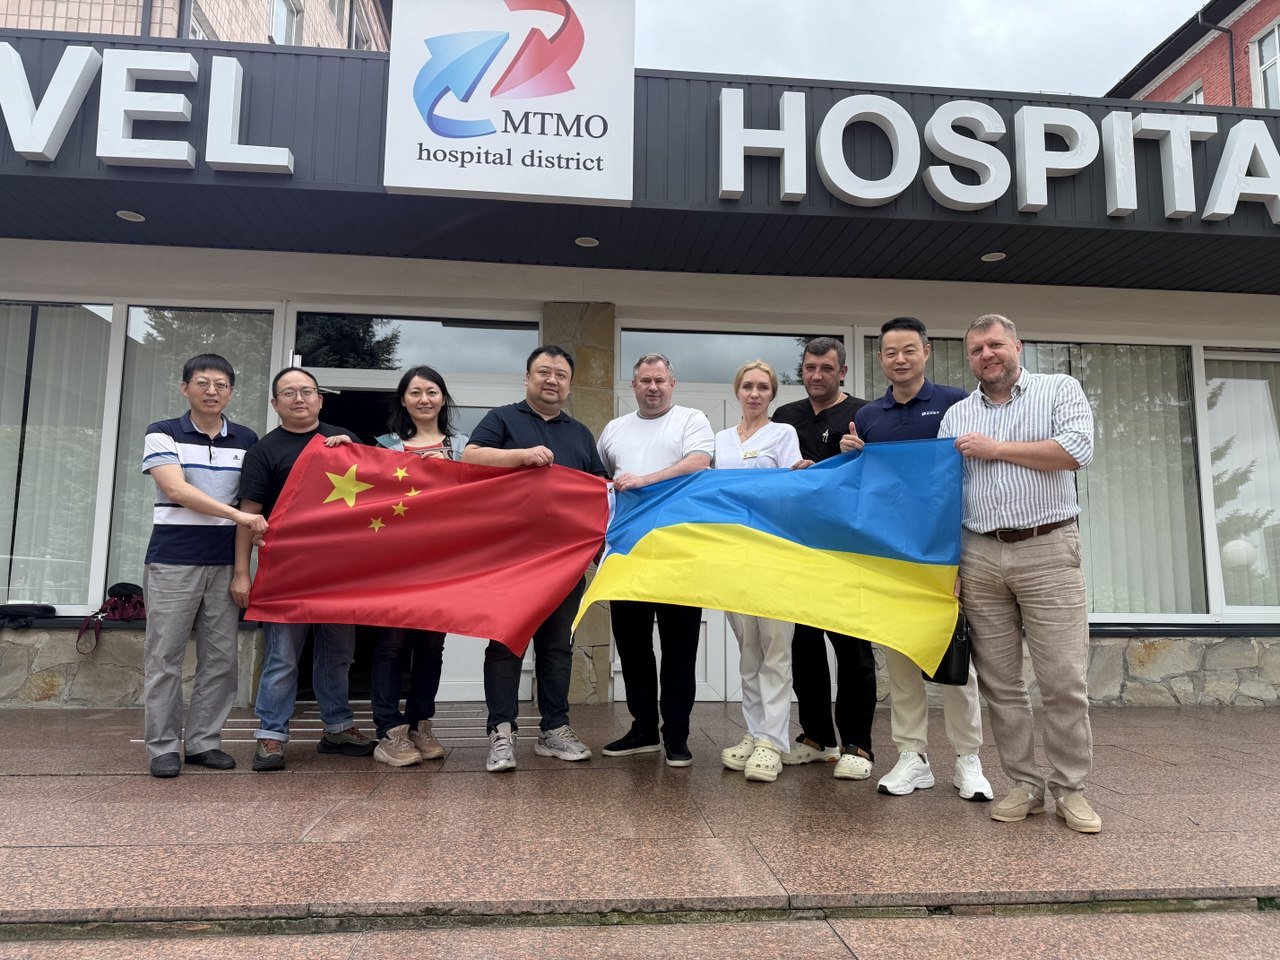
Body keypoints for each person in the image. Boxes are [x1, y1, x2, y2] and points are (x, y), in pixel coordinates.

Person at [938, 314, 1099, 833]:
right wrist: (949, 564)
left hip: (1048, 548)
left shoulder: (1058, 390)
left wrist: (996, 449)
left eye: (995, 344)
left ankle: (1070, 788)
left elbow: (1076, 451)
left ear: (1017, 346)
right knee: (1000, 684)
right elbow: (944, 492)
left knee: (1063, 680)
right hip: (979, 554)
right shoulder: (956, 415)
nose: (987, 354)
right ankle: (1025, 785)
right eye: (976, 349)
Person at [840, 317, 992, 802]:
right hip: (891, 555)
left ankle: (968, 760)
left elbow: (971, 478)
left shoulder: (957, 404)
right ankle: (912, 757)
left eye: (909, 350)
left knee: (956, 664)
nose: (900, 359)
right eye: (890, 352)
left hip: (945, 555)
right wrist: (851, 455)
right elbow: (865, 488)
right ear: (880, 359)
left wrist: (965, 561)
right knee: (902, 660)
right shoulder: (869, 416)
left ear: (926, 352)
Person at [463, 346, 608, 773]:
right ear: (526, 378)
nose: (552, 380)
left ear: (569, 385)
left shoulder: (579, 433)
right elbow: (471, 456)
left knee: (557, 648)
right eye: (544, 372)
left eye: (561, 375)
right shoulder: (502, 419)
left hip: (564, 562)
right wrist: (521, 456)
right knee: (506, 644)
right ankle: (501, 732)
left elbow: (598, 486)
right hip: (510, 559)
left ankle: (554, 729)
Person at [231, 367, 376, 772]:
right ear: (275, 403)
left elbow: (379, 495)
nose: (299, 398)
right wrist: (242, 572)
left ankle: (338, 727)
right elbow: (248, 515)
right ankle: (271, 735)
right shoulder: (263, 451)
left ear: (320, 399)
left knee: (338, 654)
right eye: (289, 393)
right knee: (282, 656)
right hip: (286, 570)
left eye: (307, 391)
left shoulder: (343, 440)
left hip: (338, 571)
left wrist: (356, 452)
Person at [140, 354, 265, 778]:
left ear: (231, 392)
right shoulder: (163, 432)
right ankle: (162, 747)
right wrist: (237, 516)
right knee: (165, 657)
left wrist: (245, 557)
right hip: (173, 559)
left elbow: (254, 499)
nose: (212, 391)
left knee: (221, 659)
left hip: (224, 562)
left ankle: (203, 742)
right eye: (202, 383)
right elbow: (176, 490)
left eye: (221, 385)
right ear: (185, 388)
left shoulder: (247, 439)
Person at [596, 353, 713, 767]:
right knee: (633, 649)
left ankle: (676, 736)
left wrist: (644, 480)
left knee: (679, 650)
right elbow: (601, 483)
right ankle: (643, 729)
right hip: (628, 555)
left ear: (672, 384)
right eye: (645, 380)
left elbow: (699, 463)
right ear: (633, 386)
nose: (653, 387)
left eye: (660, 380)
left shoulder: (691, 419)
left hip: (679, 553)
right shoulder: (614, 430)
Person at [773, 337, 878, 780]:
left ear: (843, 372)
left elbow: (882, 477)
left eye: (826, 368)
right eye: (809, 368)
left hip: (847, 549)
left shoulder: (865, 415)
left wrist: (862, 455)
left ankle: (858, 744)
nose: (816, 376)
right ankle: (817, 738)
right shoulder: (784, 416)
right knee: (804, 645)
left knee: (852, 647)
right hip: (798, 546)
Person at [368, 365, 470, 767]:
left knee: (431, 645)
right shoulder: (384, 447)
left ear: (443, 398)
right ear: (403, 400)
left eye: (431, 391)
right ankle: (388, 731)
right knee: (392, 644)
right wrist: (338, 447)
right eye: (415, 392)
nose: (424, 399)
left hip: (442, 563)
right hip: (396, 563)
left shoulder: (464, 447)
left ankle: (420, 724)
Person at [713, 360, 802, 783]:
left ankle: (772, 742)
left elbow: (793, 487)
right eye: (747, 386)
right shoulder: (719, 440)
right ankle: (754, 731)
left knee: (776, 648)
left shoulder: (783, 434)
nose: (754, 394)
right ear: (737, 390)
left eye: (763, 387)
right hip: (734, 555)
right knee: (748, 648)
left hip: (774, 553)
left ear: (772, 394)